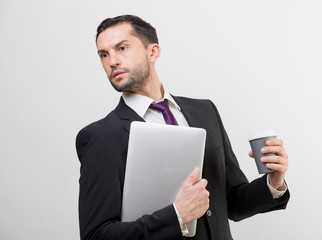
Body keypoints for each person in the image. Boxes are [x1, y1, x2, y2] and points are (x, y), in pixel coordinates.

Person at [75, 14, 290, 240]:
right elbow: (96, 236)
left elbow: (232, 203)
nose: (112, 61)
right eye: (104, 54)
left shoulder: (205, 112)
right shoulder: (100, 137)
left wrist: (273, 182)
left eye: (122, 48)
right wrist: (176, 215)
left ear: (153, 52)